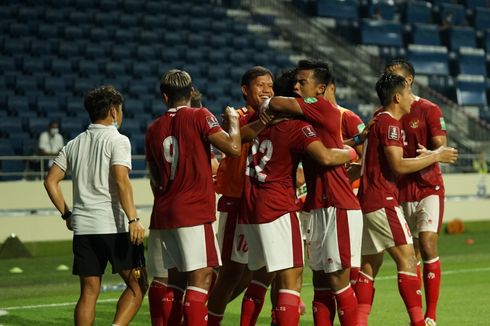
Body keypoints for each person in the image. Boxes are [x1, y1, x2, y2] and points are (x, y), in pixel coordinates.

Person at [239, 78, 359, 326]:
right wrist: (352, 151)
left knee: (260, 277)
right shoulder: (295, 128)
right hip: (278, 207)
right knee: (291, 279)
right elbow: (325, 155)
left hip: (250, 206)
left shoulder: (256, 125)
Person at [355, 73, 458, 326]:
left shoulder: (376, 119)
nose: (412, 98)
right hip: (382, 199)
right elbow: (398, 165)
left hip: (365, 200)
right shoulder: (390, 123)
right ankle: (418, 322)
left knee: (368, 266)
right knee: (408, 259)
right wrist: (436, 156)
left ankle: (358, 322)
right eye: (408, 93)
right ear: (397, 96)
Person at [43, 85, 147, 326]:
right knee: (137, 285)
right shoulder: (118, 140)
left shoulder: (73, 144)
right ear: (113, 111)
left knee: (89, 293)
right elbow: (122, 181)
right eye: (120, 109)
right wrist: (133, 219)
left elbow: (50, 181)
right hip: (115, 226)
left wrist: (67, 214)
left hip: (84, 228)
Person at [145, 69, 241, 325]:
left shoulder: (153, 128)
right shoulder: (200, 115)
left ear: (165, 97)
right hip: (194, 211)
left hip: (165, 212)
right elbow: (233, 149)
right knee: (201, 278)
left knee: (175, 283)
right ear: (192, 93)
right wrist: (233, 122)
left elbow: (154, 177)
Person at [207, 66, 275, 326]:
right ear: (245, 90)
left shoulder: (275, 116)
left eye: (270, 85)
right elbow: (236, 137)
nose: (267, 89)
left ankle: (206, 311)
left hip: (261, 205)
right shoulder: (238, 117)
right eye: (260, 85)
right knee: (231, 272)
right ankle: (206, 317)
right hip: (237, 202)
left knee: (253, 274)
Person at [385, 58, 450, 326]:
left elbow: (441, 145)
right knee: (410, 256)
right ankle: (416, 316)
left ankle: (430, 315)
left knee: (427, 243)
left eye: (394, 77)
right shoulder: (387, 113)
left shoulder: (428, 109)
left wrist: (431, 153)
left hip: (427, 186)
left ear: (408, 81)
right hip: (399, 190)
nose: (388, 81)